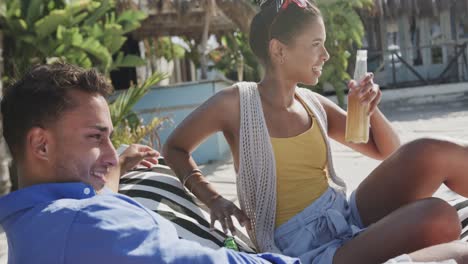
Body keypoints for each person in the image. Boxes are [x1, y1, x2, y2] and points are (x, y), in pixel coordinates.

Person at [162, 0, 468, 263]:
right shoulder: (236, 103)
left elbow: (386, 151)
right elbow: (175, 147)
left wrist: (369, 109)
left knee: (428, 151)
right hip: (304, 249)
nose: (326, 56)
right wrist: (213, 198)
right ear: (279, 50)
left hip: (343, 215)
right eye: (316, 44)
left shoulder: (311, 103)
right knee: (439, 217)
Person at [0, 63, 299, 264]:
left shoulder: (29, 225)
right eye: (95, 137)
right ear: (41, 144)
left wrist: (117, 167)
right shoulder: (90, 224)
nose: (108, 154)